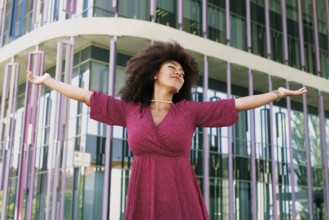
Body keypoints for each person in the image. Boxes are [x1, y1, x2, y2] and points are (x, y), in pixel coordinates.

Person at [26, 41, 307, 220]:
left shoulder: (189, 111)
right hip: (143, 192)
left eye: (182, 72)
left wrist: (277, 93)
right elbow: (87, 96)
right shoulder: (130, 109)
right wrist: (49, 80)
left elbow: (236, 104)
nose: (179, 73)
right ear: (153, 73)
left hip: (181, 193)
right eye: (172, 67)